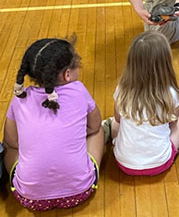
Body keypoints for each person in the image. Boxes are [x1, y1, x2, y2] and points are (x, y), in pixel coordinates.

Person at [2, 38, 104, 211]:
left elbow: (12, 142)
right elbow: (94, 126)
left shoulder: (19, 99)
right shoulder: (79, 91)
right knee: (99, 131)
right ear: (67, 74)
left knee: (8, 147)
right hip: (79, 192)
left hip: (30, 199)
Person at [102, 31, 179, 175]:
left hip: (124, 163)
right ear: (166, 63)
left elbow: (118, 119)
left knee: (116, 122)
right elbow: (174, 120)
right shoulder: (170, 93)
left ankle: (109, 131)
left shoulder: (122, 89)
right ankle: (176, 142)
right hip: (160, 163)